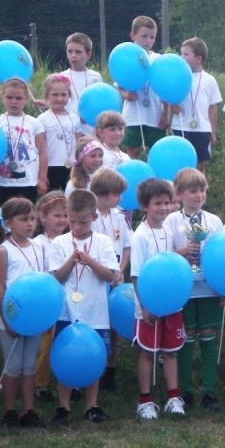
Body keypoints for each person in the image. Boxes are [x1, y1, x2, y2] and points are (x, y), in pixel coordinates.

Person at [48, 189, 118, 425]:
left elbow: (110, 275)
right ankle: (63, 406)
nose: (77, 227)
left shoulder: (103, 242)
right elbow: (56, 276)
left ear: (94, 218)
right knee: (64, 355)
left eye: (83, 222)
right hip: (66, 311)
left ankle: (92, 404)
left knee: (94, 355)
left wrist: (88, 260)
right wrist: (72, 259)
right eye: (73, 221)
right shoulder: (58, 242)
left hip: (94, 311)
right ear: (67, 216)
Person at [164, 168, 225, 411]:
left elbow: (224, 257)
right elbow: (165, 255)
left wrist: (224, 287)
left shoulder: (214, 221)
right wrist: (184, 252)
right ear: (179, 194)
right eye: (192, 191)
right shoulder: (171, 221)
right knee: (185, 338)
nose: (198, 195)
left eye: (202, 190)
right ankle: (186, 391)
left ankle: (209, 391)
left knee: (208, 336)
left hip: (209, 288)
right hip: (184, 289)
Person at [130, 178, 186, 420]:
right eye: (157, 203)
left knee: (170, 352)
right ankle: (145, 400)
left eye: (167, 202)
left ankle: (173, 397)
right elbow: (135, 276)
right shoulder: (140, 236)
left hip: (172, 303)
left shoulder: (169, 229)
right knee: (147, 353)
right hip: (149, 306)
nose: (163, 208)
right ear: (144, 206)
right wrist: (143, 307)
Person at [0, 198, 47, 428]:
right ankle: (10, 410)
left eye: (32, 219)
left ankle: (29, 410)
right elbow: (0, 286)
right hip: (11, 318)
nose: (30, 224)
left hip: (34, 318)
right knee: (12, 365)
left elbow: (43, 283)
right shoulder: (4, 251)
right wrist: (7, 319)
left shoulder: (39, 247)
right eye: (24, 219)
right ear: (8, 223)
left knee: (29, 365)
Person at [90, 168, 132, 393]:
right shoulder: (90, 216)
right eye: (117, 194)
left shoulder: (119, 215)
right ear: (102, 192)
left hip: (116, 275)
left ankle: (110, 370)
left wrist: (120, 270)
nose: (120, 199)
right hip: (96, 276)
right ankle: (91, 368)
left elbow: (126, 246)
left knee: (114, 324)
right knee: (96, 322)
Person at [32, 191, 68, 402]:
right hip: (47, 301)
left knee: (62, 341)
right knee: (44, 345)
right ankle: (40, 384)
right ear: (43, 217)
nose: (62, 220)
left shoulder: (70, 240)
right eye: (57, 216)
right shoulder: (38, 243)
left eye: (65, 215)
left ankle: (66, 379)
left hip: (68, 301)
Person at [0, 78, 48, 205]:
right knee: (6, 215)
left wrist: (42, 178)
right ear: (2, 97)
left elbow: (42, 151)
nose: (13, 102)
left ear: (26, 99)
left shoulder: (34, 122)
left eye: (18, 98)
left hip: (28, 180)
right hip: (3, 181)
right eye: (9, 97)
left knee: (26, 214)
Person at [170, 37, 222, 174]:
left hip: (202, 129)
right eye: (181, 53)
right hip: (180, 126)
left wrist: (213, 131)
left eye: (186, 54)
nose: (181, 57)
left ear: (198, 59)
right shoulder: (176, 76)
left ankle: (201, 193)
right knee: (181, 165)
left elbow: (212, 107)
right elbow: (168, 96)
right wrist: (171, 107)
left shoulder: (210, 80)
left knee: (200, 164)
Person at [119, 16, 168, 159]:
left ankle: (155, 180)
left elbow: (165, 88)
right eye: (144, 36)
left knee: (156, 152)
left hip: (155, 114)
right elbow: (119, 87)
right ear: (132, 35)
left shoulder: (158, 59)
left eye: (152, 37)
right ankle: (132, 180)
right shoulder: (126, 57)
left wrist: (166, 113)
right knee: (132, 150)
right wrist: (125, 95)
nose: (148, 40)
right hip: (133, 116)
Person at [39, 73, 81, 193]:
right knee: (52, 198)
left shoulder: (74, 119)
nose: (60, 98)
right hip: (50, 166)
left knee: (71, 197)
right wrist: (42, 174)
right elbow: (40, 148)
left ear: (69, 96)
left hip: (71, 167)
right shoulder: (42, 119)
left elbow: (79, 144)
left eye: (64, 94)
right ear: (47, 96)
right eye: (55, 95)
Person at [61, 32, 103, 135]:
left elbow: (99, 102)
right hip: (68, 127)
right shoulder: (61, 77)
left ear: (88, 55)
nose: (73, 55)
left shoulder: (95, 77)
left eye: (78, 52)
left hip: (89, 128)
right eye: (70, 51)